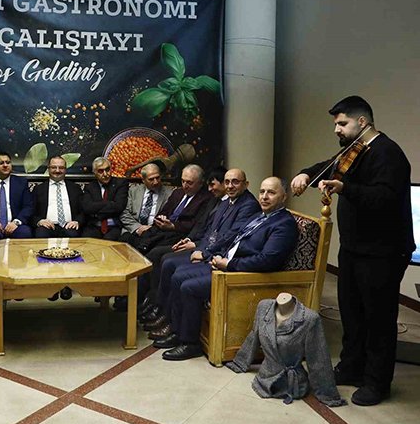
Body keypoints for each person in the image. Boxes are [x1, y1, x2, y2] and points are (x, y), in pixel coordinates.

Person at [290, 95, 414, 406]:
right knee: (352, 313)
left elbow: (384, 199)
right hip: (354, 249)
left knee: (378, 320)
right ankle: (351, 367)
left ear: (362, 122)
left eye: (342, 123)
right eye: (336, 124)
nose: (337, 129)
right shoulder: (354, 150)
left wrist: (346, 188)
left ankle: (377, 383)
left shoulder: (388, 153)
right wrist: (306, 173)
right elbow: (328, 166)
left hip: (382, 253)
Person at [156, 177, 298, 361]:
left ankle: (190, 343)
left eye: (271, 193)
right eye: (262, 191)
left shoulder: (284, 224)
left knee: (188, 287)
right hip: (224, 263)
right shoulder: (259, 216)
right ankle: (177, 331)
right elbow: (233, 239)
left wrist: (229, 264)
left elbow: (268, 261)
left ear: (284, 196)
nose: (264, 197)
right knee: (178, 276)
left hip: (241, 274)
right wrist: (210, 255)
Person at [141, 168, 260, 328]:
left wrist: (203, 253)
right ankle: (163, 313)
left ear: (246, 184)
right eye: (227, 182)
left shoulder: (249, 205)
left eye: (235, 182)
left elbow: (230, 236)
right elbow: (210, 231)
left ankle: (171, 322)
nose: (230, 186)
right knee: (167, 262)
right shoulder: (226, 201)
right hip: (207, 249)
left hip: (219, 256)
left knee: (172, 266)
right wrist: (199, 248)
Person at [119, 163, 172, 249]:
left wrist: (151, 229)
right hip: (133, 230)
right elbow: (124, 213)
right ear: (143, 180)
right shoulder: (133, 191)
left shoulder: (170, 194)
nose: (156, 182)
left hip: (154, 233)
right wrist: (138, 228)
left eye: (157, 178)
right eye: (151, 179)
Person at [31, 155, 84, 239]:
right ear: (48, 169)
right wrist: (39, 221)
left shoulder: (75, 188)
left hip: (69, 226)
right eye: (54, 167)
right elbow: (31, 211)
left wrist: (77, 221)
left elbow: (83, 210)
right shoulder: (38, 189)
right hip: (47, 226)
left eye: (61, 168)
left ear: (65, 169)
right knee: (41, 234)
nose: (57, 170)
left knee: (73, 234)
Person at [82, 157, 129, 240]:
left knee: (109, 241)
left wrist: (96, 212)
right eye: (100, 171)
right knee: (87, 241)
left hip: (114, 226)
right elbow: (87, 208)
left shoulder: (120, 183)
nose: (105, 174)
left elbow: (119, 206)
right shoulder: (89, 187)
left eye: (107, 170)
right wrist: (110, 203)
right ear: (94, 173)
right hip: (94, 225)